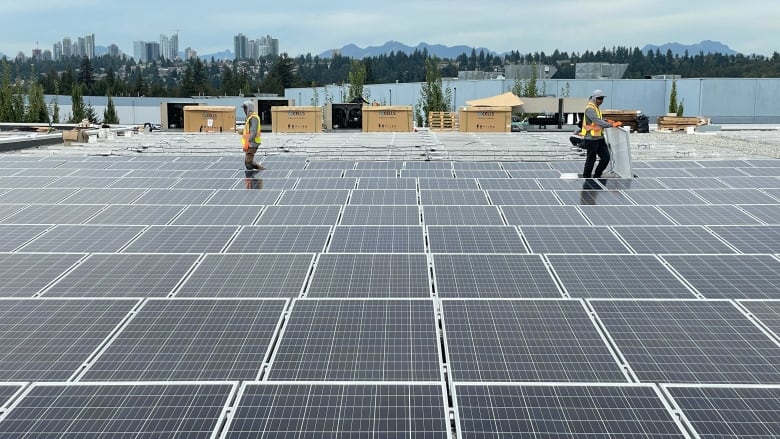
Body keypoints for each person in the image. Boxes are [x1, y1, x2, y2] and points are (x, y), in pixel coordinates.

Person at [580, 90, 621, 178]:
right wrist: (611, 124)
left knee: (606, 157)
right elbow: (597, 121)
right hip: (591, 139)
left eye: (602, 98)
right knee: (591, 159)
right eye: (599, 98)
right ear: (594, 98)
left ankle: (597, 176)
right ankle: (586, 178)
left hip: (599, 137)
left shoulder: (596, 107)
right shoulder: (590, 108)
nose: (601, 100)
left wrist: (606, 121)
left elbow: (599, 119)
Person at [241, 100, 265, 170]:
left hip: (253, 142)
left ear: (249, 108)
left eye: (245, 108)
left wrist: (248, 142)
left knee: (248, 162)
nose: (244, 110)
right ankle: (260, 170)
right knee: (249, 161)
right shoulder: (249, 117)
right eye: (243, 108)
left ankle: (252, 178)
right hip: (250, 143)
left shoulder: (254, 118)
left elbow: (253, 132)